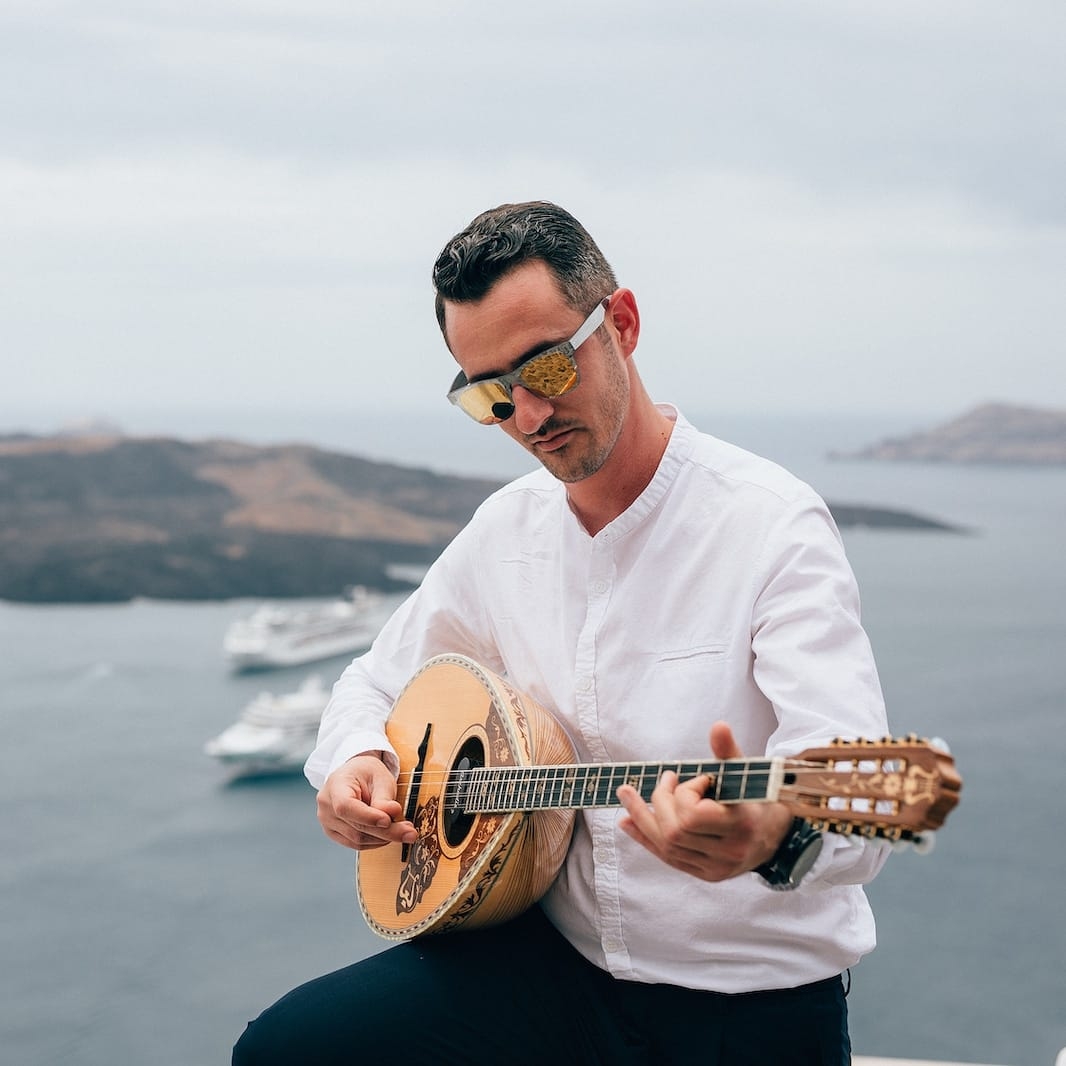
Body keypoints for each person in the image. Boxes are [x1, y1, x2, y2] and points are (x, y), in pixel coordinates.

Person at [233, 201, 889, 1065]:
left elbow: (859, 792)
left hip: (749, 1003)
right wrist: (358, 759)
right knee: (288, 1050)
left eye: (545, 366)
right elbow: (373, 682)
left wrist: (772, 835)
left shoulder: (771, 525)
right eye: (490, 395)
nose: (529, 416)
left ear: (622, 324)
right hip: (557, 971)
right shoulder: (506, 532)